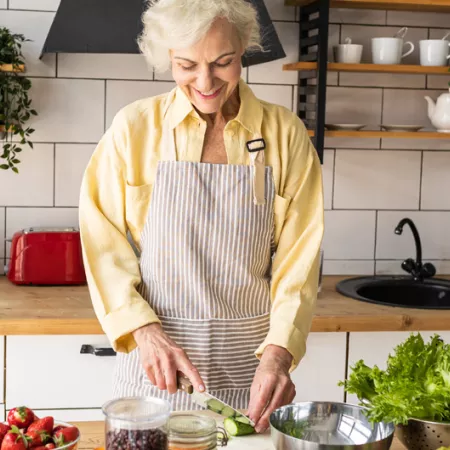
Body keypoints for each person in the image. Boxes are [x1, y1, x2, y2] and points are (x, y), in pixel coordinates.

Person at [79, 0, 324, 433]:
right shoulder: (133, 129)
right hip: (153, 373)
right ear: (166, 57)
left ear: (244, 47)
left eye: (223, 62)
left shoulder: (285, 135)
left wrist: (279, 355)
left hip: (250, 382)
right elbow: (103, 244)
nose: (205, 81)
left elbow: (298, 264)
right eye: (186, 65)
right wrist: (145, 333)